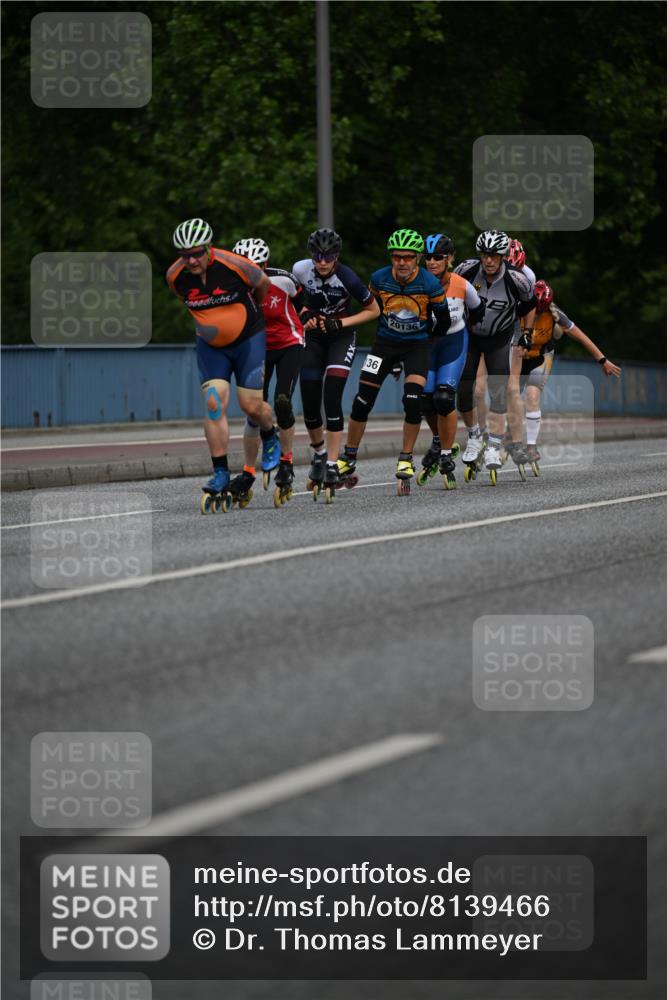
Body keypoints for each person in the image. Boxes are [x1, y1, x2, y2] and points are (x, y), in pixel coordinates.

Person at [166, 218, 280, 513]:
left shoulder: (235, 265)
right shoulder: (175, 276)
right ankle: (219, 471)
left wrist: (247, 312)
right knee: (214, 403)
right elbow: (185, 300)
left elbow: (263, 286)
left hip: (248, 340)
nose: (191, 260)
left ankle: (270, 433)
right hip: (211, 347)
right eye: (184, 255)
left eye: (196, 253)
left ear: (209, 248)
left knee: (251, 406)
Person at [337, 228, 451, 496]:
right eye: (397, 257)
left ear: (417, 258)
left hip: (416, 346)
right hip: (384, 345)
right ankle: (349, 456)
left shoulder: (430, 285)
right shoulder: (378, 279)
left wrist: (426, 343)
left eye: (408, 257)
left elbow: (443, 322)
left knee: (413, 400)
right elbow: (373, 309)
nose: (401, 262)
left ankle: (406, 457)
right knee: (361, 401)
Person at [292, 229, 380, 498]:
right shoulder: (299, 270)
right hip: (314, 336)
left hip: (341, 336)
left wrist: (340, 322)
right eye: (317, 256)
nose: (322, 262)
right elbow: (291, 297)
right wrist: (303, 311)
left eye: (328, 256)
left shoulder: (347, 277)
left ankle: (331, 462)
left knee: (332, 395)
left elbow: (374, 310)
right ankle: (319, 453)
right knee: (308, 399)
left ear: (336, 256)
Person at [454, 230, 536, 484]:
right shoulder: (466, 269)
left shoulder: (518, 279)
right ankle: (475, 436)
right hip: (470, 335)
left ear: (503, 257)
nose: (488, 260)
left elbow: (530, 305)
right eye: (484, 255)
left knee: (500, 389)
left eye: (494, 256)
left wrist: (527, 334)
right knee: (467, 390)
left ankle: (495, 444)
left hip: (500, 337)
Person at [519, 279, 621, 470]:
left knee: (532, 396)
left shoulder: (555, 313)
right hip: (518, 354)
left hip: (541, 355)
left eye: (542, 310)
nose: (537, 314)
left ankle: (531, 446)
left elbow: (581, 337)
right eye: (535, 310)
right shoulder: (518, 306)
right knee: (510, 395)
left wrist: (602, 360)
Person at [232, 238, 305, 506]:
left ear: (267, 263)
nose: (253, 271)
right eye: (247, 266)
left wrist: (302, 323)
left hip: (289, 343)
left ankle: (286, 462)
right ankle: (248, 471)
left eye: (258, 265)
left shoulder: (284, 280)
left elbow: (303, 303)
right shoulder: (234, 287)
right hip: (258, 349)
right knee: (253, 410)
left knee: (282, 401)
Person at [418, 233, 484, 489]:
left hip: (453, 344)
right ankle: (438, 439)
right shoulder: (417, 284)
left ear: (449, 259)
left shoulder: (461, 284)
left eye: (438, 257)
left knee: (444, 398)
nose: (432, 262)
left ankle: (446, 454)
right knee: (426, 401)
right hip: (427, 347)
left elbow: (478, 312)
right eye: (428, 258)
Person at [474, 238, 536, 456]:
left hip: (515, 327)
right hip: (489, 329)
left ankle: (517, 441)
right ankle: (481, 435)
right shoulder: (480, 274)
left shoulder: (526, 276)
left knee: (511, 387)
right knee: (478, 390)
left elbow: (530, 309)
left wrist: (526, 335)